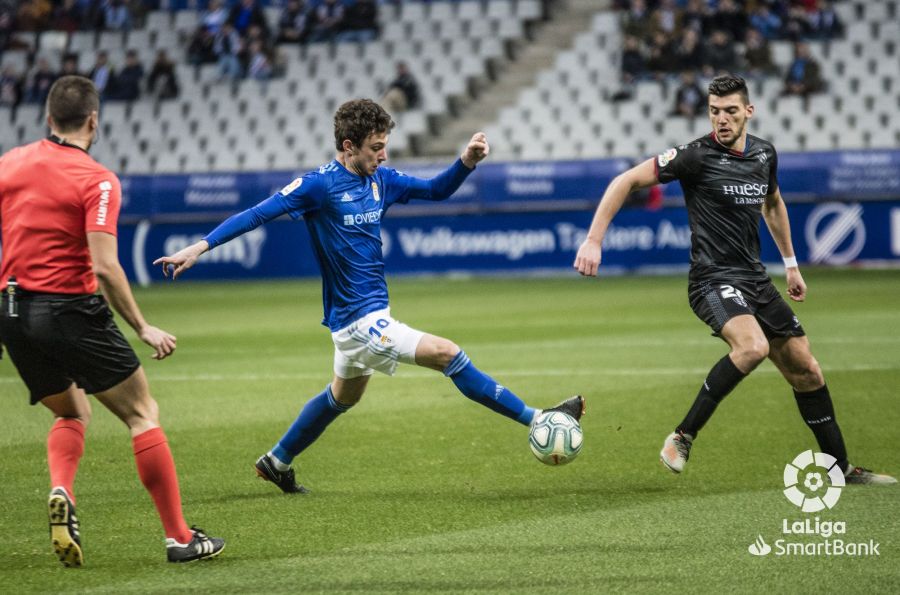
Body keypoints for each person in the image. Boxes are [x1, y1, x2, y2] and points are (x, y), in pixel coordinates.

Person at [154, 99, 584, 494]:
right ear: (348, 146)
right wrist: (199, 247)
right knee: (448, 354)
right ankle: (540, 418)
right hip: (358, 322)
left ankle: (276, 460)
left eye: (385, 145)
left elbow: (436, 191)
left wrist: (465, 163)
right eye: (376, 147)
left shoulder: (384, 180)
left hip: (368, 314)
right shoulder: (317, 186)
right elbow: (256, 214)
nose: (384, 155)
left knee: (343, 397)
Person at [573, 74, 896, 486]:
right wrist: (594, 240)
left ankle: (840, 469)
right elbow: (626, 180)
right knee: (753, 347)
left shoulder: (764, 154)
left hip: (755, 280)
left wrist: (791, 264)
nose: (721, 119)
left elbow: (773, 204)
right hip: (711, 279)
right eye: (713, 111)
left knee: (808, 371)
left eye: (729, 111)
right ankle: (682, 435)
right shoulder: (694, 156)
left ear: (748, 110)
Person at [0, 76, 225, 566]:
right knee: (142, 413)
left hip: (14, 311)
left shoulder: (9, 163)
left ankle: (62, 490)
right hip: (69, 309)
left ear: (47, 118)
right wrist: (142, 326)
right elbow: (104, 266)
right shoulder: (97, 180)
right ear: (94, 121)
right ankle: (180, 538)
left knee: (71, 412)